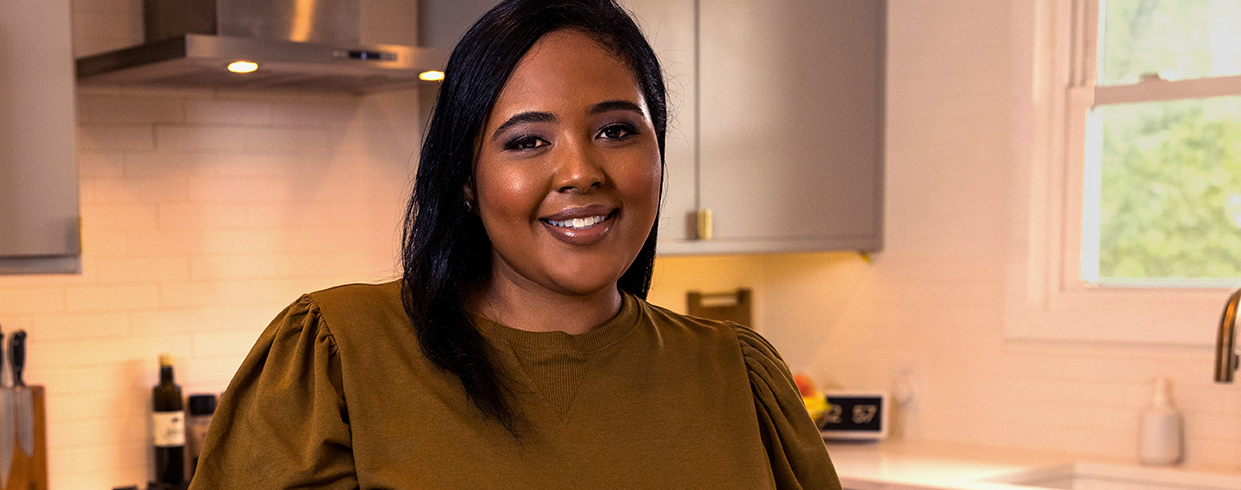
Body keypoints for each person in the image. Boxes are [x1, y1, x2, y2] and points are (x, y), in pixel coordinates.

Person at [186, 0, 842, 488]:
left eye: (616, 130)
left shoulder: (740, 378)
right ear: (466, 181)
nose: (582, 172)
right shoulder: (338, 358)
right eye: (527, 141)